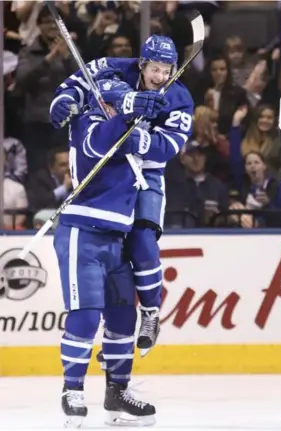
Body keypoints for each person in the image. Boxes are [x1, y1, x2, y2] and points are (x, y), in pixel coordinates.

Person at [49, 34, 194, 357]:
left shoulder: (180, 98)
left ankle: (152, 314)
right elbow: (82, 80)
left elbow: (167, 148)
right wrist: (63, 99)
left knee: (142, 242)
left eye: (166, 70)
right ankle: (115, 340)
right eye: (155, 69)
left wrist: (136, 140)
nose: (160, 77)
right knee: (116, 253)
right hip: (113, 169)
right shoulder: (117, 68)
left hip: (147, 172)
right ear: (141, 64)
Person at [54, 78, 165, 427]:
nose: (119, 111)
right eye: (115, 105)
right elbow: (100, 145)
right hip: (81, 232)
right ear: (103, 105)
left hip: (117, 238)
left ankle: (117, 391)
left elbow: (159, 151)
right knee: (86, 318)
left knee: (122, 319)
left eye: (122, 106)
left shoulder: (129, 130)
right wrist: (125, 116)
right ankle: (72, 391)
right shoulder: (88, 123)